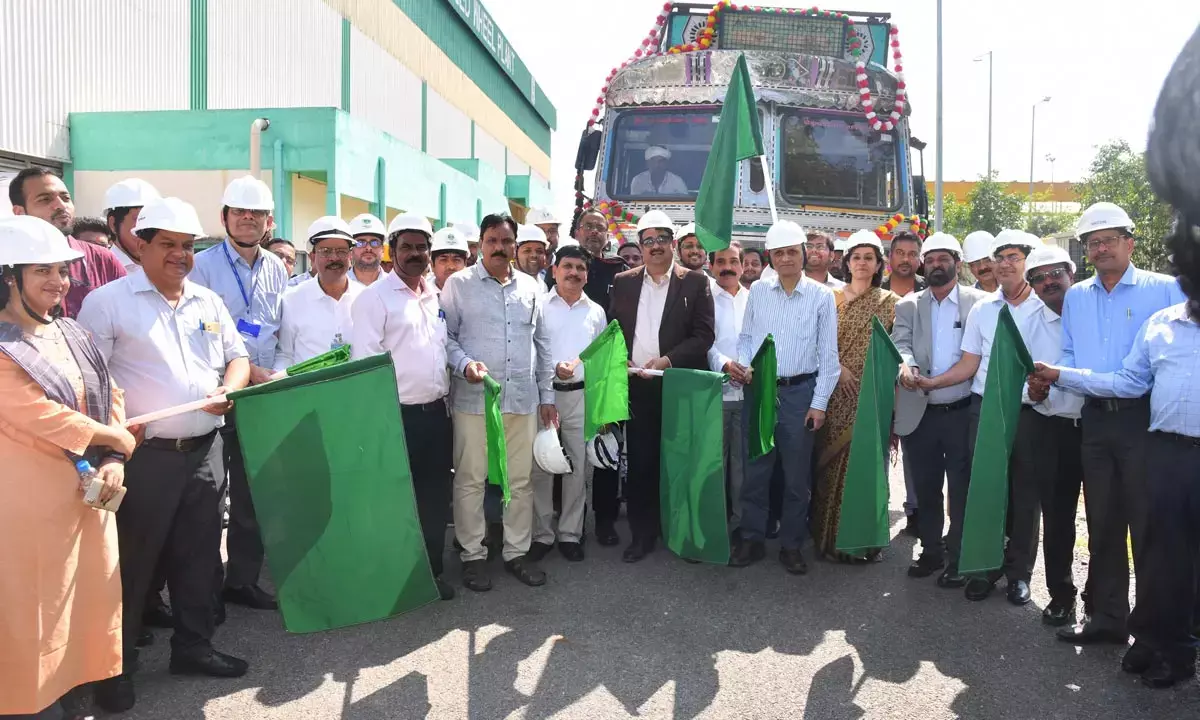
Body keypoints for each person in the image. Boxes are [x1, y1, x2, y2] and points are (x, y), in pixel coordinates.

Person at [78, 197, 251, 713]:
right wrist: (109, 439)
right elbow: (89, 382)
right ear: (141, 245)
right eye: (168, 244)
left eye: (188, 245)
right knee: (131, 566)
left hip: (205, 449)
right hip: (142, 457)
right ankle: (114, 669)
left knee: (200, 559)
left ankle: (193, 647)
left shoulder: (207, 301)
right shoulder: (108, 303)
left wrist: (229, 388)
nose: (180, 254)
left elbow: (238, 357)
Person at [0, 216, 135, 720]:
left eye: (61, 270)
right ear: (9, 276)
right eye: (42, 271)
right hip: (29, 507)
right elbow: (35, 413)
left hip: (88, 498)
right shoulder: (3, 344)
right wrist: (110, 438)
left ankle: (74, 692)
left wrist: (115, 458)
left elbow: (111, 392)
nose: (58, 281)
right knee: (35, 609)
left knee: (85, 604)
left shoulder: (71, 330)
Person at [1050, 202, 1185, 647]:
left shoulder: (1165, 289)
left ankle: (1152, 631)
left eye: (1109, 240)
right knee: (1104, 524)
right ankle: (1108, 619)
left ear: (1130, 242)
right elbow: (1069, 354)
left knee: (1148, 528)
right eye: (1093, 242)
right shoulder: (1077, 296)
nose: (1101, 248)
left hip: (1145, 421)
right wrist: (1055, 377)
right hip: (1095, 421)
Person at [915, 230, 1045, 601]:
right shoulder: (984, 310)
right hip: (984, 410)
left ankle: (1019, 573)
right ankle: (985, 567)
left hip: (1029, 413)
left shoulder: (1045, 308)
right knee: (984, 490)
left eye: (1013, 257)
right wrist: (933, 383)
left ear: (1028, 262)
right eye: (998, 258)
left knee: (1024, 495)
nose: (1004, 264)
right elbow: (969, 363)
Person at [442, 213, 557, 591]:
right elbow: (445, 338)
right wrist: (465, 364)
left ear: (514, 246)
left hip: (521, 400)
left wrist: (547, 395)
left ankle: (516, 551)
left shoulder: (531, 287)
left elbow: (542, 344)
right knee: (471, 479)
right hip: (474, 400)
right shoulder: (459, 285)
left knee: (520, 480)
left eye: (506, 241)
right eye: (492, 240)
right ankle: (473, 555)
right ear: (480, 244)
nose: (499, 248)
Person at [188, 175, 286, 613]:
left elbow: (279, 329)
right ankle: (203, 587)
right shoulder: (201, 266)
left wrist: (274, 373)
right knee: (209, 497)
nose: (248, 219)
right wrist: (243, 373)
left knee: (252, 493)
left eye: (257, 213)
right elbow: (195, 335)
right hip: (218, 393)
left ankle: (242, 580)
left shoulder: (277, 267)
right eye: (240, 212)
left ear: (269, 221)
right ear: (224, 217)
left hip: (262, 396)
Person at [351, 213, 456, 600]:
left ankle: (429, 573)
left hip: (436, 416)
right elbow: (367, 366)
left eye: (421, 247)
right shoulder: (374, 299)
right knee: (393, 501)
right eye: (406, 247)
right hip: (396, 418)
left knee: (433, 499)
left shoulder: (433, 296)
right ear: (391, 251)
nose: (415, 253)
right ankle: (392, 577)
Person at [608, 209, 714, 562]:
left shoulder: (695, 282)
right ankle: (642, 535)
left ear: (673, 243)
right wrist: (621, 359)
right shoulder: (624, 281)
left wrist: (667, 360)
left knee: (681, 463)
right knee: (642, 463)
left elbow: (704, 336)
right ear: (640, 245)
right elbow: (614, 332)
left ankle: (683, 532)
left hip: (679, 384)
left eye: (662, 239)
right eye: (648, 240)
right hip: (638, 386)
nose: (655, 245)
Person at [733, 221, 839, 574]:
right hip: (761, 390)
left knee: (796, 478)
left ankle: (792, 545)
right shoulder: (759, 292)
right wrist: (746, 364)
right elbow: (747, 338)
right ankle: (752, 538)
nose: (786, 258)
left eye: (792, 251)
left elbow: (829, 358)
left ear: (803, 254)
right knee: (756, 471)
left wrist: (818, 404)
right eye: (779, 253)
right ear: (771, 257)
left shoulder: (822, 297)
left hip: (800, 394)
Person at [893, 233, 989, 585]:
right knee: (926, 487)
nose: (936, 265)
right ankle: (931, 551)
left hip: (961, 412)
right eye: (930, 259)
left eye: (943, 259)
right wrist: (907, 367)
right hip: (921, 413)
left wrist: (936, 382)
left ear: (957, 264)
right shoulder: (908, 305)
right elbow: (900, 344)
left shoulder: (979, 304)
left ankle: (959, 556)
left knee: (961, 488)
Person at [1005, 244, 1086, 626]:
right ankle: (1061, 595)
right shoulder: (1027, 323)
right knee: (1058, 516)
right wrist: (1031, 393)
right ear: (1032, 286)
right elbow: (1015, 380)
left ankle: (1104, 604)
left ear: (1072, 273)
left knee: (1106, 518)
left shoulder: (1093, 310)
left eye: (1056, 273)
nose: (1049, 282)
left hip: (1100, 426)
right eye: (1039, 278)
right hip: (1051, 427)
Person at [810, 231, 899, 561]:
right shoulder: (828, 298)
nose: (862, 263)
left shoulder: (891, 303)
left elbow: (896, 352)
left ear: (878, 265)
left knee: (865, 468)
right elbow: (812, 341)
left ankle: (862, 541)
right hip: (832, 395)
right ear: (846, 263)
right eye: (856, 257)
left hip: (871, 397)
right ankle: (827, 539)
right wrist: (838, 368)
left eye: (869, 258)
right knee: (829, 468)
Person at [528, 245, 607, 563]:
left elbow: (600, 359)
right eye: (568, 266)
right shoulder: (539, 305)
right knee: (542, 465)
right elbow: (531, 351)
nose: (574, 273)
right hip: (544, 396)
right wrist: (552, 370)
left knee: (576, 466)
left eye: (580, 268)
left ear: (587, 275)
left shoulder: (596, 311)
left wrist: (601, 407)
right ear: (555, 270)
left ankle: (570, 533)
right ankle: (542, 534)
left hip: (580, 396)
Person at [571, 209, 630, 544]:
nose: (594, 232)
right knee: (569, 452)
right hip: (569, 372)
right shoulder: (563, 265)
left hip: (607, 374)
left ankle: (605, 520)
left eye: (600, 227)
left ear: (607, 235)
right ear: (577, 231)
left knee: (607, 449)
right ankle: (571, 521)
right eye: (588, 226)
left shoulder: (618, 271)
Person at [9, 167, 126, 318]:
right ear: (20, 213)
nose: (61, 205)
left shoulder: (102, 260)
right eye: (45, 199)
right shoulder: (7, 263)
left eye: (65, 198)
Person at [880, 230, 927, 536]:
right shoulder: (876, 289)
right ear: (889, 257)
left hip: (915, 383)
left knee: (915, 451)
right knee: (878, 449)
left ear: (919, 259)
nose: (906, 259)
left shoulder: (930, 290)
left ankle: (916, 510)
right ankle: (876, 509)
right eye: (900, 253)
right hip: (880, 383)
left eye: (912, 254)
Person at [275, 218, 362, 370]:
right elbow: (285, 355)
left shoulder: (365, 297)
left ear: (350, 256)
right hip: (308, 385)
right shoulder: (292, 299)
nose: (334, 257)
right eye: (325, 251)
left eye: (341, 251)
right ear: (312, 257)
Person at [707, 241, 750, 538]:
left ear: (743, 266)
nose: (727, 267)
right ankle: (713, 526)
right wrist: (723, 363)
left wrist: (750, 367)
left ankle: (740, 526)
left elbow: (763, 338)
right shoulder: (703, 299)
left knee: (742, 463)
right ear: (711, 266)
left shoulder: (756, 299)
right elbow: (701, 339)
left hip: (749, 390)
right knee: (715, 462)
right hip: (714, 392)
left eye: (733, 261)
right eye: (721, 262)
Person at [102, 178, 161, 273]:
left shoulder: (167, 268)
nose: (148, 228)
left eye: (152, 220)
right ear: (113, 224)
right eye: (139, 219)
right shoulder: (100, 271)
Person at [348, 213, 387, 287]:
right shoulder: (338, 285)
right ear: (351, 250)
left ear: (383, 249)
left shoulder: (396, 285)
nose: (368, 248)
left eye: (375, 242)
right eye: (360, 242)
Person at [429, 226, 469, 291]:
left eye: (456, 260)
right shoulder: (422, 295)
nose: (451, 267)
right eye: (443, 260)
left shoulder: (476, 292)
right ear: (432, 265)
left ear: (465, 264)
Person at [515, 224, 549, 289]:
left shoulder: (544, 287)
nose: (534, 255)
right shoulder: (506, 285)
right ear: (514, 253)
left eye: (539, 251)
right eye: (527, 251)